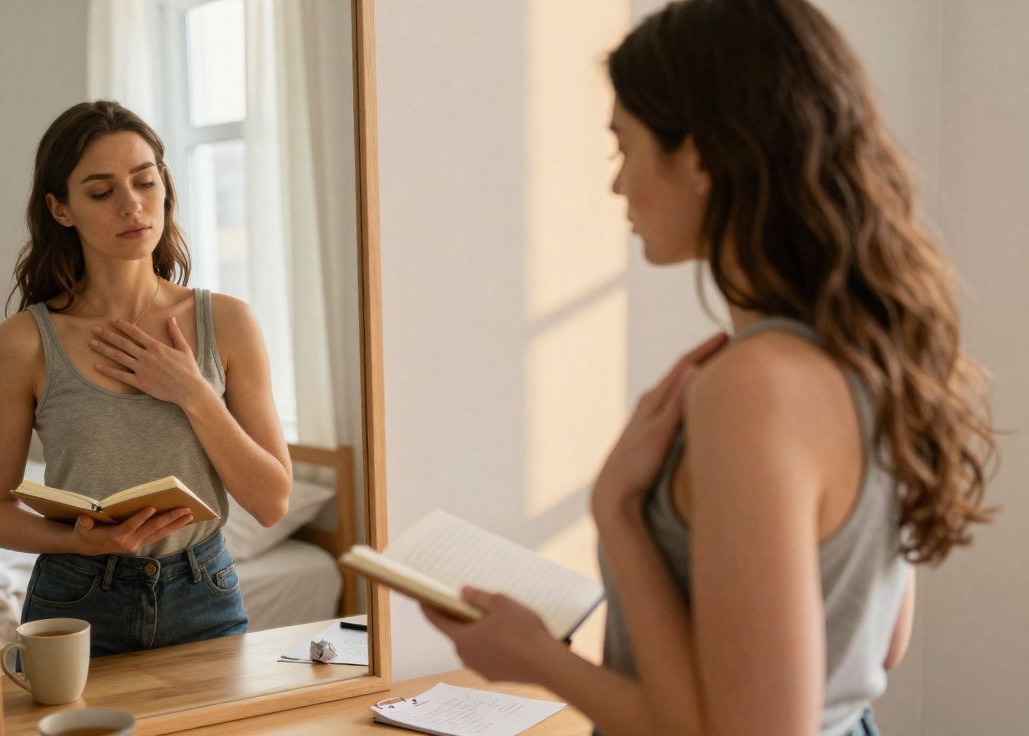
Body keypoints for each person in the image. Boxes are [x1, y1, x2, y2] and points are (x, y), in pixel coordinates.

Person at [423, 1, 996, 734]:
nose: (617, 185)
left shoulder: (753, 388)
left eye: (622, 148)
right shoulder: (873, 350)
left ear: (696, 156)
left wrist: (547, 641)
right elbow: (875, 644)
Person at [0, 100, 292, 657]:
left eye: (145, 182)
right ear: (61, 209)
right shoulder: (24, 342)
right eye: (102, 192)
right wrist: (79, 540)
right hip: (76, 598)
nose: (132, 206)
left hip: (205, 591)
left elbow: (272, 501)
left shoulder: (227, 323)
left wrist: (193, 392)